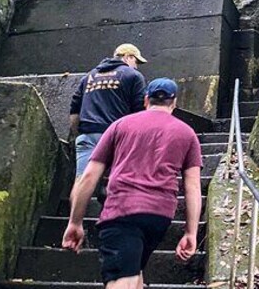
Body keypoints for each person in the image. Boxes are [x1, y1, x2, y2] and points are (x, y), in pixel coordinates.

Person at [62, 78, 203, 289]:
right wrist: (191, 233)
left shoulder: (120, 125)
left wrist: (75, 222)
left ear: (146, 100)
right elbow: (193, 187)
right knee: (133, 273)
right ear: (174, 103)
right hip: (159, 217)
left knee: (122, 279)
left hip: (122, 211)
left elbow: (89, 176)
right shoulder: (187, 134)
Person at [69, 44, 148, 179]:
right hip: (116, 138)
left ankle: (79, 193)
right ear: (127, 57)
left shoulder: (89, 76)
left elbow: (74, 110)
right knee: (114, 181)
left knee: (82, 181)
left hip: (88, 136)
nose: (136, 66)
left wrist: (78, 134)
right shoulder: (133, 76)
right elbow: (139, 111)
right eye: (136, 61)